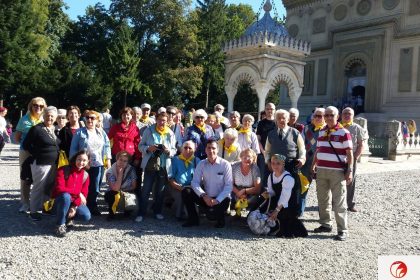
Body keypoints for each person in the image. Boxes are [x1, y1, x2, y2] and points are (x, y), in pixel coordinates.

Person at [311, 106, 353, 241]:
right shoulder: (322, 131)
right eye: (327, 115)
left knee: (339, 200)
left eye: (331, 115)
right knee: (322, 199)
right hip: (322, 169)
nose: (329, 117)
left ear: (337, 116)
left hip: (337, 172)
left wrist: (350, 170)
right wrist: (313, 165)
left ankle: (343, 229)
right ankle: (325, 224)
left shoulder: (344, 132)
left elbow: (349, 153)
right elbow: (318, 150)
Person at [182, 138, 233, 228]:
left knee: (212, 216)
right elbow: (195, 182)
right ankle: (193, 219)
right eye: (208, 148)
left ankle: (219, 217)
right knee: (186, 191)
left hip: (220, 199)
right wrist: (204, 196)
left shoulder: (225, 164)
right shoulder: (201, 163)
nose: (211, 150)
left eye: (213, 148)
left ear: (217, 150)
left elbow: (229, 186)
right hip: (206, 197)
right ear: (205, 150)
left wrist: (217, 200)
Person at [136, 112, 177, 222]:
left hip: (163, 165)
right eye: (159, 120)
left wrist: (169, 151)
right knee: (146, 189)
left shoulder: (170, 133)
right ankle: (141, 212)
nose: (161, 122)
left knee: (160, 190)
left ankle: (157, 211)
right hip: (151, 164)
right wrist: (149, 148)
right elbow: (140, 146)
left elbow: (174, 149)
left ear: (167, 121)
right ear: (156, 120)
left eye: (164, 120)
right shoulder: (148, 131)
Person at [70, 110, 112, 216]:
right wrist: (74, 163)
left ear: (97, 120)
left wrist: (108, 160)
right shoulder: (80, 132)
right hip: (83, 165)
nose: (90, 120)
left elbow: (107, 146)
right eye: (87, 117)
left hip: (98, 164)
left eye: (93, 118)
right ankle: (79, 206)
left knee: (95, 186)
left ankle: (92, 205)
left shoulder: (101, 132)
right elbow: (73, 149)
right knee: (81, 185)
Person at [22, 106, 60, 221]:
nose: (50, 118)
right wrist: (37, 153)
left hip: (54, 163)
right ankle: (33, 211)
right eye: (47, 115)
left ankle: (45, 208)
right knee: (38, 187)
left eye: (52, 116)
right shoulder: (36, 129)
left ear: (55, 118)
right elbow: (26, 145)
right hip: (41, 163)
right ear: (43, 116)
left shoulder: (54, 129)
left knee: (49, 187)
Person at [260, 154, 308, 238]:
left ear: (283, 164)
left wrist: (276, 211)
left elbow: (285, 197)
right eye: (273, 163)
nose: (275, 166)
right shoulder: (270, 176)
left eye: (278, 163)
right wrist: (267, 194)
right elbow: (272, 193)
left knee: (285, 224)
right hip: (279, 201)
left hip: (289, 204)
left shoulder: (288, 178)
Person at [15, 97, 46, 213]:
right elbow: (17, 137)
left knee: (41, 177)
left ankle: (39, 202)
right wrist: (28, 145)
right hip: (26, 151)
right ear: (31, 106)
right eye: (35, 105)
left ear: (44, 107)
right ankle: (25, 202)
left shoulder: (45, 119)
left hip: (41, 152)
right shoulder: (24, 120)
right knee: (25, 176)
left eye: (41, 106)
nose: (38, 107)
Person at [52, 150, 91, 237]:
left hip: (74, 201)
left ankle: (68, 218)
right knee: (65, 196)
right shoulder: (63, 170)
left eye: (84, 160)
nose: (81, 162)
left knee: (86, 216)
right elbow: (59, 189)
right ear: (74, 159)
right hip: (60, 201)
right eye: (79, 159)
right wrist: (78, 193)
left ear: (88, 161)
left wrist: (74, 207)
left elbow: (84, 195)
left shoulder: (85, 175)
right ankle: (60, 225)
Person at [341, 107, 367, 212]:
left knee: (350, 181)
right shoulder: (336, 127)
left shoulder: (358, 128)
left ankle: (350, 204)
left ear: (353, 116)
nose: (347, 115)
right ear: (341, 115)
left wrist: (355, 157)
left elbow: (361, 144)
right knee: (336, 180)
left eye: (349, 114)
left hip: (351, 159)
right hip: (337, 159)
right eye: (345, 113)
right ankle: (335, 203)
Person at [300, 107, 325, 216]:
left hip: (322, 163)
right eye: (316, 116)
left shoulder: (327, 130)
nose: (318, 118)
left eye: (320, 116)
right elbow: (300, 146)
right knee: (303, 187)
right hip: (307, 162)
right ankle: (299, 212)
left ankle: (323, 216)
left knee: (323, 191)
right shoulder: (305, 129)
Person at [168, 141, 200, 220]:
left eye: (190, 148)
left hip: (193, 187)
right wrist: (180, 187)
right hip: (177, 187)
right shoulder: (175, 160)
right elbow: (171, 179)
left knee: (189, 195)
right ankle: (179, 215)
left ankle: (191, 215)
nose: (187, 150)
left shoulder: (197, 161)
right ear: (181, 149)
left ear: (194, 150)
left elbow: (201, 177)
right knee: (181, 196)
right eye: (185, 148)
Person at [104, 151, 138, 220]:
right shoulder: (110, 171)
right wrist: (120, 173)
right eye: (120, 160)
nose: (122, 162)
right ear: (117, 159)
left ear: (128, 162)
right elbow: (115, 188)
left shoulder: (131, 170)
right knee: (113, 194)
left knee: (132, 196)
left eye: (125, 161)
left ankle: (127, 211)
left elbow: (134, 186)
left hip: (126, 191)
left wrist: (124, 191)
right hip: (114, 192)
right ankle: (112, 213)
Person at [231, 148, 261, 215]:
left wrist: (244, 191)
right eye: (244, 157)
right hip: (236, 191)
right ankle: (236, 212)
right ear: (241, 158)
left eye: (249, 157)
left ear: (253, 159)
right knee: (229, 196)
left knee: (253, 199)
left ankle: (244, 213)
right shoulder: (235, 166)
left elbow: (258, 189)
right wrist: (239, 193)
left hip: (250, 192)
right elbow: (230, 184)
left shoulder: (255, 168)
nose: (247, 159)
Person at [256, 103, 276, 189]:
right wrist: (263, 151)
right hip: (263, 153)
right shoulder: (261, 123)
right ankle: (263, 198)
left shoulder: (277, 123)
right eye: (267, 109)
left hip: (275, 154)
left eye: (271, 109)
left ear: (274, 110)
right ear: (265, 110)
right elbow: (258, 139)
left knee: (275, 175)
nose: (269, 111)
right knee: (263, 176)